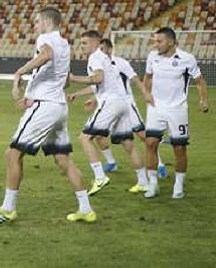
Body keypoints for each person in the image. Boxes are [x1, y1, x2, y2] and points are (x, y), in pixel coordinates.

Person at [0, 7, 95, 225]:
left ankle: (7, 210)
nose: (36, 25)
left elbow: (45, 55)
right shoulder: (65, 43)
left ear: (46, 21)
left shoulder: (46, 39)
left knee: (12, 154)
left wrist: (20, 72)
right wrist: (32, 92)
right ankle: (86, 209)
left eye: (37, 21)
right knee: (63, 159)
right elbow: (65, 81)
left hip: (45, 107)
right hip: (59, 106)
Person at [69, 30, 152, 196]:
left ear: (95, 42)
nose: (82, 46)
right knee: (128, 143)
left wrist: (73, 78)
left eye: (85, 43)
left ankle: (100, 177)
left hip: (111, 103)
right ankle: (143, 182)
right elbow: (100, 84)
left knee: (85, 138)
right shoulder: (106, 59)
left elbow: (98, 79)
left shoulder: (95, 57)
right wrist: (85, 95)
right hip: (122, 103)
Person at [143, 27, 209, 199]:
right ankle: (152, 184)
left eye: (159, 41)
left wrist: (203, 100)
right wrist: (146, 93)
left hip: (177, 109)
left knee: (179, 147)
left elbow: (200, 81)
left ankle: (178, 185)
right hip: (155, 108)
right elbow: (148, 77)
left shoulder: (187, 59)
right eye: (155, 41)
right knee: (150, 143)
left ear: (170, 42)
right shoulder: (152, 57)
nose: (156, 45)